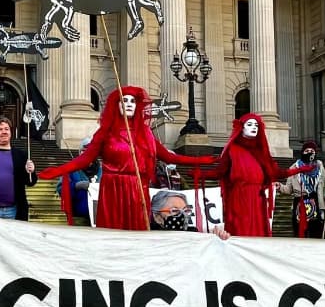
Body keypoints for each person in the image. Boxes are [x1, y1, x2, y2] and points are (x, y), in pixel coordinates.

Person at [40, 87, 214, 231]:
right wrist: (58, 170)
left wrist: (200, 161)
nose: (129, 104)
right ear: (117, 105)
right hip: (113, 189)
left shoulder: (145, 133)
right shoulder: (106, 133)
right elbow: (85, 159)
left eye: (133, 101)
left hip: (137, 189)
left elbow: (167, 156)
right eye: (124, 100)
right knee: (113, 233)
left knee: (137, 232)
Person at [204, 114, 306, 237]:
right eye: (249, 124)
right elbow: (219, 172)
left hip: (258, 199)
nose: (254, 127)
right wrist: (200, 173)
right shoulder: (232, 149)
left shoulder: (261, 151)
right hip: (239, 198)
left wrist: (299, 169)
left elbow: (275, 173)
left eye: (256, 125)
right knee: (241, 230)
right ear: (241, 127)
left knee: (258, 233)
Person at [278, 140, 325, 238]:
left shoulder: (320, 167)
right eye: (307, 150)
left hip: (317, 203)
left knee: (316, 234)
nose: (309, 152)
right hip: (299, 203)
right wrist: (279, 187)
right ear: (302, 152)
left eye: (312, 150)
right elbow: (288, 189)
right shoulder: (294, 168)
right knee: (300, 233)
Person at [150, 189, 230, 239]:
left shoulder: (194, 235)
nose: (182, 215)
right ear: (157, 217)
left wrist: (218, 240)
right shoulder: (146, 238)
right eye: (174, 211)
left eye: (185, 211)